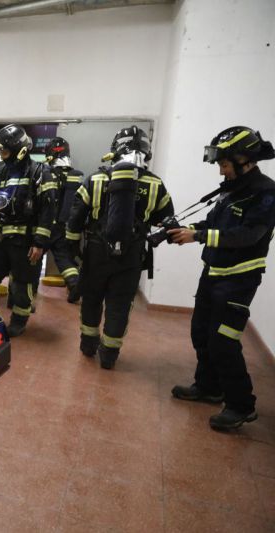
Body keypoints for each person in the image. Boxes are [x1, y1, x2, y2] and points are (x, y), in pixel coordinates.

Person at [168, 126, 275, 430]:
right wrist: (184, 230)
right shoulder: (230, 189)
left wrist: (198, 235)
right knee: (201, 333)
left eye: (224, 163)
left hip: (239, 279)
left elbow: (248, 235)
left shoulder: (266, 192)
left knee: (224, 342)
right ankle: (209, 387)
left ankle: (241, 406)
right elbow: (215, 223)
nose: (221, 169)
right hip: (212, 274)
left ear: (245, 160)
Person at [67, 126, 174, 369]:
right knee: (119, 305)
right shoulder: (156, 185)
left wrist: (73, 248)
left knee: (92, 299)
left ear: (115, 149)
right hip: (131, 257)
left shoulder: (95, 180)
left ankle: (88, 345)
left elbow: (74, 219)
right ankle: (109, 356)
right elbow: (168, 221)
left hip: (96, 254)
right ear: (146, 152)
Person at [0, 124, 57, 337]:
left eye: (5, 151)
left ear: (20, 150)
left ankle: (18, 321)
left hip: (25, 242)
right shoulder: (0, 172)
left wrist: (39, 243)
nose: (2, 156)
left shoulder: (40, 172)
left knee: (21, 286)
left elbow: (49, 211)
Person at [45, 137, 85, 303]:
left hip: (45, 224)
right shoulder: (77, 175)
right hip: (66, 227)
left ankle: (29, 295)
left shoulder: (45, 173)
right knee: (64, 258)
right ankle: (75, 286)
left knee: (33, 261)